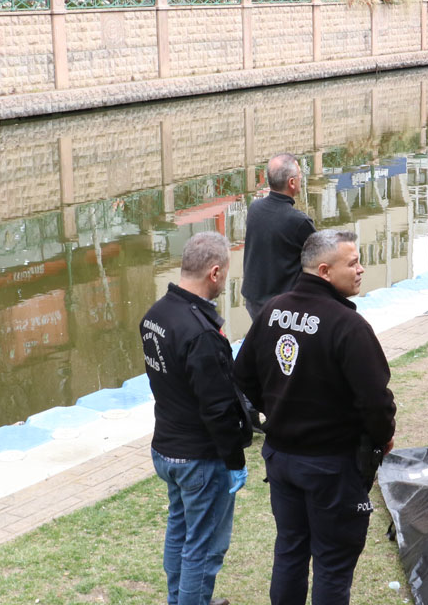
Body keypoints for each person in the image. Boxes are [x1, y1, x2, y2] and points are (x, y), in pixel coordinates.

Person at [234, 229, 397, 605]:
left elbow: (243, 376)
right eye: (352, 263)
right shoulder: (349, 327)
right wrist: (381, 437)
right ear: (324, 271)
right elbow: (376, 402)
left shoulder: (273, 310)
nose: (361, 269)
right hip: (331, 466)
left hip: (282, 458)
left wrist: (276, 408)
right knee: (333, 564)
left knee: (290, 551)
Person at [142, 232, 254, 605]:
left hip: (167, 449)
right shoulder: (201, 333)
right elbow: (218, 408)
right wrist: (235, 460)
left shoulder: (155, 315)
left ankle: (180, 600)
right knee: (204, 547)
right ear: (215, 272)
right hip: (199, 458)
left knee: (180, 530)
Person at [242, 153, 316, 322]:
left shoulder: (255, 208)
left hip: (253, 300)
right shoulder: (298, 221)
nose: (301, 178)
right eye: (299, 175)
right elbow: (321, 259)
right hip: (283, 307)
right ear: (291, 182)